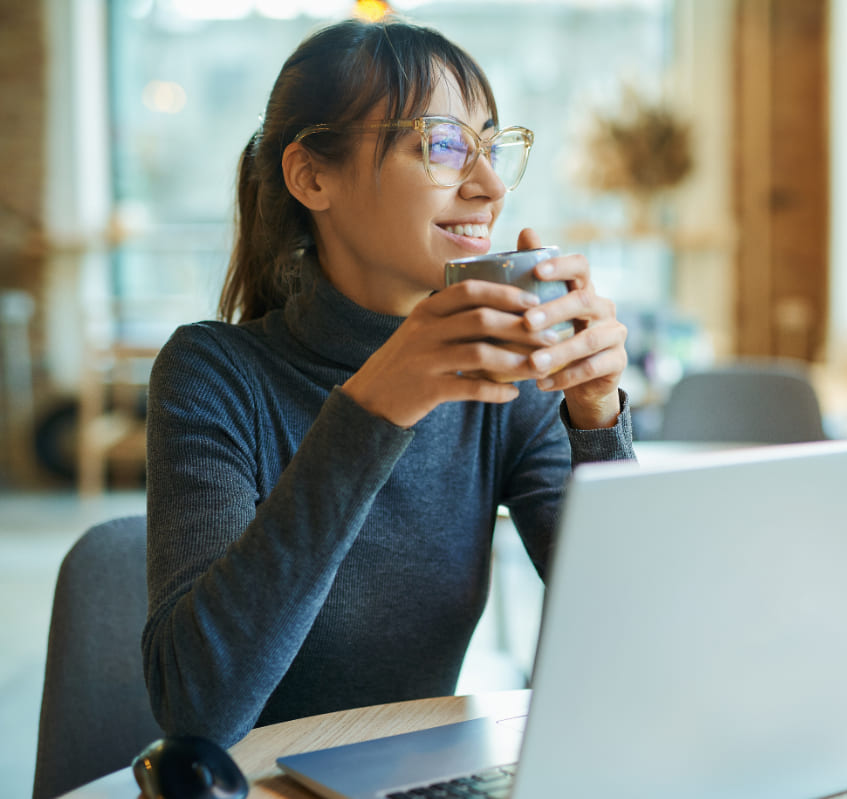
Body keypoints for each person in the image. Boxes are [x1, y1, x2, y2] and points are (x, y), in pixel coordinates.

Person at [141, 17, 634, 748]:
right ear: (313, 175)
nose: (491, 186)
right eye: (442, 145)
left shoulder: (504, 385)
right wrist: (379, 405)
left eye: (493, 148)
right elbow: (198, 709)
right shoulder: (213, 376)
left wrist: (595, 419)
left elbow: (628, 638)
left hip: (422, 774)